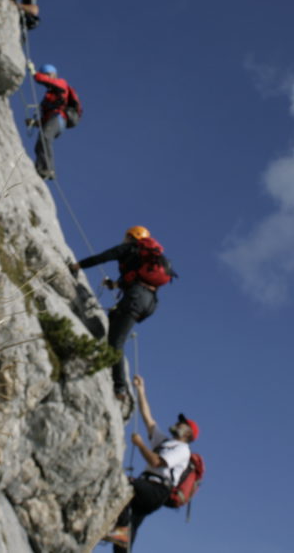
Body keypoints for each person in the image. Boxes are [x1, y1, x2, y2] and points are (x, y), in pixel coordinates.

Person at [68, 226, 173, 399]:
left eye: (126, 237)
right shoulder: (147, 258)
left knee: (116, 341)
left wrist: (78, 265)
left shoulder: (129, 248)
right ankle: (115, 376)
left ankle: (120, 387)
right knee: (113, 320)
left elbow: (103, 257)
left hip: (135, 298)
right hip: (149, 303)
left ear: (131, 237)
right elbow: (133, 278)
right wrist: (114, 285)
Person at [102, 374, 199, 550]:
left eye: (182, 424)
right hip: (150, 489)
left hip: (157, 490)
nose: (178, 423)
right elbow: (148, 419)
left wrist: (140, 444)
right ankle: (122, 541)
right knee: (128, 532)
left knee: (126, 485)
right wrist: (141, 390)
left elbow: (156, 462)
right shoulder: (165, 442)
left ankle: (120, 533)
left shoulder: (182, 450)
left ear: (188, 434)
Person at [29, 63, 81, 180]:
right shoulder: (49, 96)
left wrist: (35, 74)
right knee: (39, 143)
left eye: (47, 75)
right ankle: (40, 168)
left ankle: (48, 169)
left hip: (59, 117)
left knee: (45, 137)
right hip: (53, 119)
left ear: (52, 74)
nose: (46, 77)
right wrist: (34, 122)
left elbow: (42, 79)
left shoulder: (61, 83)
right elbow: (46, 119)